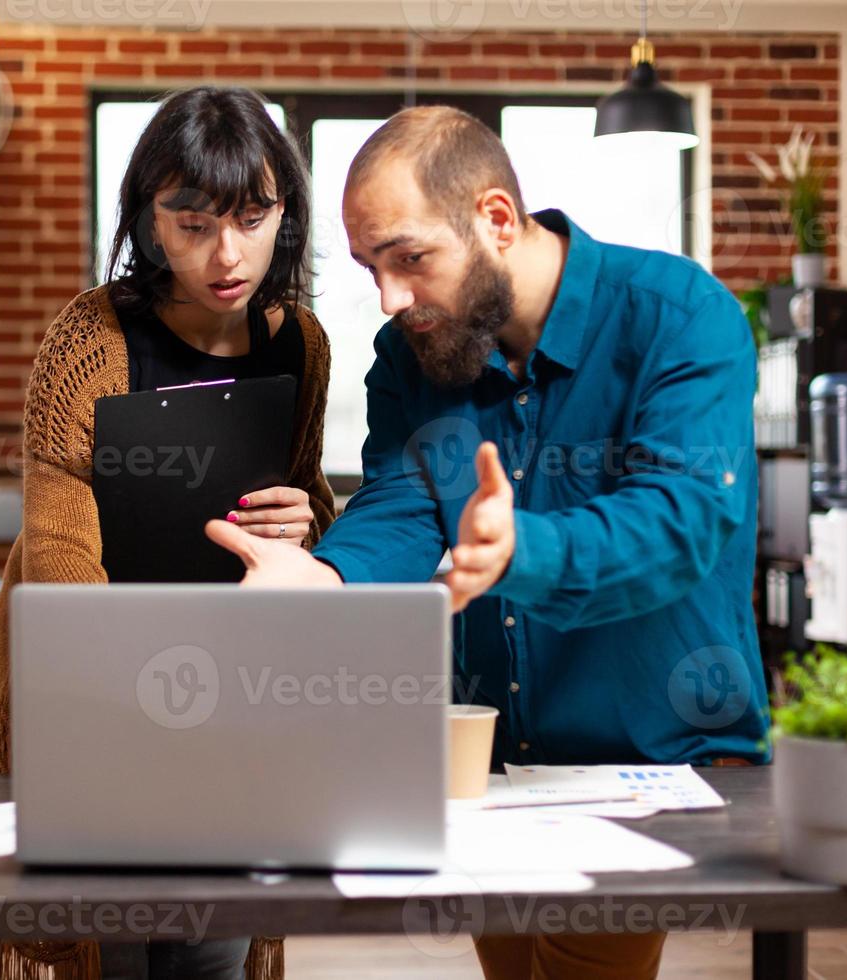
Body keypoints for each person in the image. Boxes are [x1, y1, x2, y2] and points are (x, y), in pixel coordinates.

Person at [206, 105, 768, 980]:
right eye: (371, 268)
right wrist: (328, 576)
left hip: (644, 756)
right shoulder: (413, 354)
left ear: (496, 219)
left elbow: (683, 521)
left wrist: (524, 551)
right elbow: (404, 499)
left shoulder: (679, 317)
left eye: (409, 258)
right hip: (487, 761)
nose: (390, 300)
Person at [0, 86, 334, 980]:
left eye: (253, 219)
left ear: (283, 214)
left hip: (236, 689)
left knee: (214, 942)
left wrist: (308, 520)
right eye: (193, 223)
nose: (228, 254)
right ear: (148, 218)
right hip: (96, 691)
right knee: (108, 940)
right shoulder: (90, 340)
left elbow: (305, 495)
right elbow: (57, 549)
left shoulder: (300, 343)